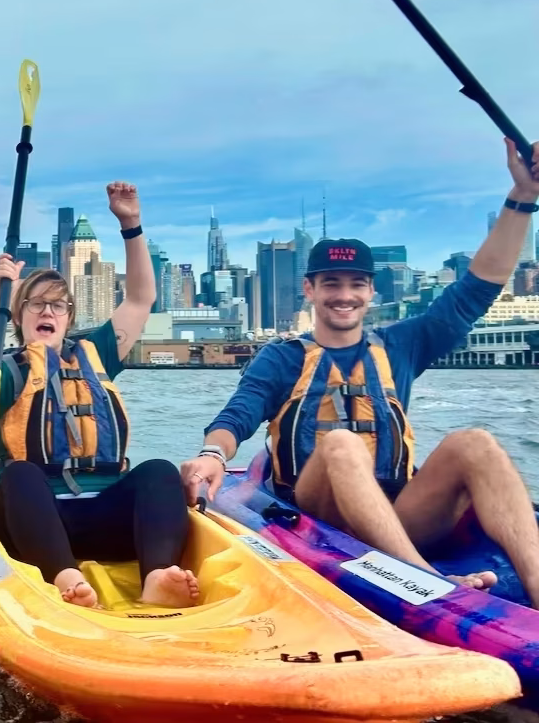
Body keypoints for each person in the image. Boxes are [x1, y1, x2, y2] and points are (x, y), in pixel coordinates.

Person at [183, 139, 539, 604]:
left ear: (371, 292)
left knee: (476, 442)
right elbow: (238, 416)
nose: (344, 295)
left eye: (356, 284)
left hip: (399, 512)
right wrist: (212, 453)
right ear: (309, 289)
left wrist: (523, 196)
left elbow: (477, 289)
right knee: (341, 442)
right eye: (331, 283)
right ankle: (427, 583)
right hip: (317, 513)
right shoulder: (283, 356)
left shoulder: (402, 345)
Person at [0, 182, 200, 610]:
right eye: (35, 304)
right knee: (17, 475)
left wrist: (131, 225)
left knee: (159, 471)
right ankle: (67, 580)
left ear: (69, 316)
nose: (47, 312)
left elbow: (141, 297)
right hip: (37, 524)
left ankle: (157, 579)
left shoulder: (98, 353)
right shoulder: (11, 369)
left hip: (106, 518)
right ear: (19, 318)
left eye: (57, 305)